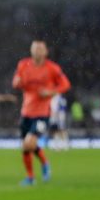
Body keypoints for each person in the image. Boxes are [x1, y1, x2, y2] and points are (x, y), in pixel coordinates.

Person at [12, 40, 70, 186]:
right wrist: (17, 83)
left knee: (28, 144)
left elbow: (65, 84)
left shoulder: (52, 68)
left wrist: (51, 92)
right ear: (31, 51)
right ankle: (45, 164)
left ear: (45, 52)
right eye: (35, 49)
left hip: (43, 113)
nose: (37, 51)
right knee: (28, 145)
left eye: (40, 49)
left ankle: (30, 177)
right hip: (26, 112)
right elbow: (16, 82)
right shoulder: (23, 65)